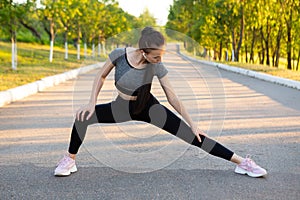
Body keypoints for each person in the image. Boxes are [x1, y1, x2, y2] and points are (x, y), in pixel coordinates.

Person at [54, 27, 267, 178]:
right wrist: (92, 103)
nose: (160, 60)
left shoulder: (156, 65)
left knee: (194, 136)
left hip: (148, 107)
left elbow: (172, 95)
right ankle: (69, 159)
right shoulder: (119, 55)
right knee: (82, 118)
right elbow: (100, 77)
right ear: (143, 52)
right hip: (121, 107)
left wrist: (192, 123)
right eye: (156, 56)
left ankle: (242, 163)